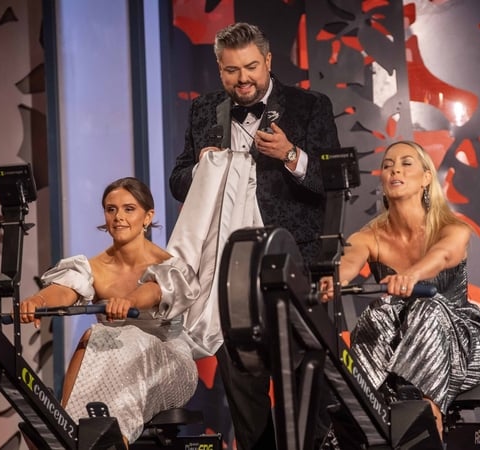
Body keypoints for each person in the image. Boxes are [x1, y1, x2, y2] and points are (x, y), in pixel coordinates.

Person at [167, 22, 340, 450]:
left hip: (292, 263)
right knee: (243, 390)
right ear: (219, 70)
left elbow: (335, 183)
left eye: (250, 67)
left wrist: (291, 155)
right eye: (231, 71)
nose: (242, 79)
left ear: (267, 61)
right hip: (231, 269)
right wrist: (199, 169)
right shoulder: (205, 111)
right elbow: (177, 181)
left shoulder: (309, 106)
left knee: (304, 386)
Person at [319, 140, 480, 444]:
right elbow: (348, 261)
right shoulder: (369, 236)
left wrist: (412, 275)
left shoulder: (453, 228)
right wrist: (332, 280)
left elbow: (443, 255)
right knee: (375, 316)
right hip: (397, 345)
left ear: (426, 177)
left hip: (462, 342)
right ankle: (359, 416)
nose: (395, 170)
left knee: (426, 307)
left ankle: (427, 424)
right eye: (388, 165)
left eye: (406, 163)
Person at [18, 177, 200, 445]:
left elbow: (154, 290)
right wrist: (37, 301)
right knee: (95, 336)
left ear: (148, 217)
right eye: (111, 209)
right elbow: (65, 290)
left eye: (129, 209)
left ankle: (115, 439)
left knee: (126, 337)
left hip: (169, 364)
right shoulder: (94, 266)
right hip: (112, 362)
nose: (118, 217)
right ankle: (68, 431)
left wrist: (129, 301)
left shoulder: (168, 266)